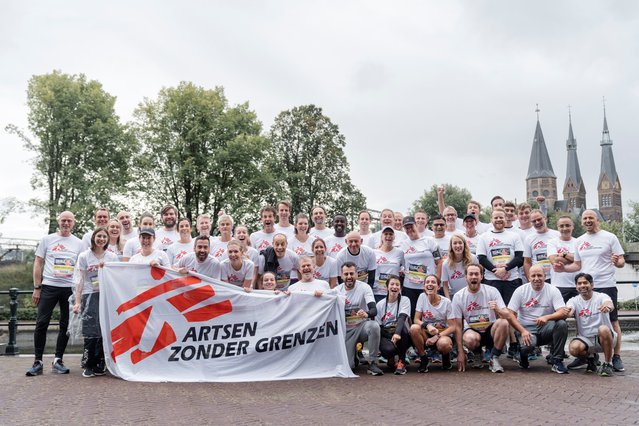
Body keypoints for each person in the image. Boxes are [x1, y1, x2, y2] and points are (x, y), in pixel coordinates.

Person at [26, 211, 84, 376]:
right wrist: (37, 287)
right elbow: (38, 262)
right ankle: (38, 361)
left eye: (69, 221)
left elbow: (81, 269)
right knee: (41, 323)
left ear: (74, 223)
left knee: (65, 325)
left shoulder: (79, 243)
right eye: (63, 220)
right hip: (49, 286)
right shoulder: (47, 239)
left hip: (69, 288)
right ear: (59, 222)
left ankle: (58, 360)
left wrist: (79, 293)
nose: (66, 223)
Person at [451, 264, 529, 374]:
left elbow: (507, 315)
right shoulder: (459, 296)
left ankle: (494, 358)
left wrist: (497, 309)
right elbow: (458, 326)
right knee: (470, 339)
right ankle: (477, 353)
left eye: (476, 274)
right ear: (465, 277)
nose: (474, 277)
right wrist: (460, 352)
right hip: (473, 331)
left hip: (491, 330)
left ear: (482, 276)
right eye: (471, 274)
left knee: (503, 323)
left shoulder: (492, 291)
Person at [575, 210, 626, 371]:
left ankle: (616, 356)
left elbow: (621, 262)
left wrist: (617, 262)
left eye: (591, 218)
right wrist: (560, 268)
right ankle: (588, 355)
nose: (588, 220)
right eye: (585, 218)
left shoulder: (610, 237)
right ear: (582, 222)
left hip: (606, 283)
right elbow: (577, 265)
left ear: (597, 220)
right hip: (585, 286)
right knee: (582, 319)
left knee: (612, 321)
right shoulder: (579, 241)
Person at [477, 208, 524, 358]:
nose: (498, 220)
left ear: (506, 219)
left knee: (510, 313)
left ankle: (514, 345)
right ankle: (492, 346)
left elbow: (519, 257)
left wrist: (505, 268)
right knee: (493, 312)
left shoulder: (514, 236)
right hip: (492, 279)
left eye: (501, 217)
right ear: (491, 219)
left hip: (511, 279)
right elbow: (481, 258)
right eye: (496, 217)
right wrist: (496, 270)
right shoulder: (484, 237)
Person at [72, 227, 119, 378]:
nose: (102, 239)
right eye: (99, 236)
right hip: (89, 294)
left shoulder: (111, 257)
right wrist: (77, 301)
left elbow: (117, 278)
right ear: (93, 238)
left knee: (104, 329)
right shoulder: (85, 256)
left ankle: (100, 362)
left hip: (106, 296)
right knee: (90, 331)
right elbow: (80, 280)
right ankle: (88, 363)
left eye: (104, 237)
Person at [507, 265, 569, 373]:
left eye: (539, 275)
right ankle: (522, 355)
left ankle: (557, 360)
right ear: (528, 277)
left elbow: (563, 312)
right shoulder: (520, 291)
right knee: (528, 347)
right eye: (533, 276)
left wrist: (547, 317)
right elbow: (510, 314)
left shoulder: (553, 290)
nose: (536, 278)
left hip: (546, 327)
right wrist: (522, 331)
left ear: (545, 276)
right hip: (527, 329)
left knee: (561, 324)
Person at [334, 262, 383, 376]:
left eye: (352, 273)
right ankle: (354, 355)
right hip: (346, 332)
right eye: (346, 274)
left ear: (356, 274)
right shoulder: (336, 290)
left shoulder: (365, 287)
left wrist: (366, 313)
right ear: (341, 276)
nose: (349, 277)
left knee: (374, 326)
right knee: (349, 367)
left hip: (361, 328)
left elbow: (374, 310)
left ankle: (372, 362)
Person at [567, 273, 617, 377]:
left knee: (603, 329)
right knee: (573, 349)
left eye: (585, 283)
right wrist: (568, 312)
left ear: (592, 285)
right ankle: (591, 358)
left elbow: (609, 304)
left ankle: (608, 364)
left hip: (605, 337)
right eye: (579, 283)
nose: (582, 285)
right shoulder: (573, 300)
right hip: (586, 339)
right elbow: (569, 309)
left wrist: (607, 307)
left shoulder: (602, 296)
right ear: (576, 287)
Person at [410, 274, 455, 372]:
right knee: (414, 328)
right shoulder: (422, 297)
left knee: (444, 345)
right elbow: (416, 319)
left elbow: (452, 327)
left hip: (442, 335)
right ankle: (423, 358)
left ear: (438, 287)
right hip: (426, 334)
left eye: (433, 282)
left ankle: (445, 356)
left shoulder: (446, 302)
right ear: (424, 286)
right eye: (427, 282)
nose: (430, 284)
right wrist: (428, 325)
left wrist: (437, 336)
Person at [400, 216, 442, 316]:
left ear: (416, 225)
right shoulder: (402, 244)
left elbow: (439, 262)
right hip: (409, 286)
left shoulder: (429, 241)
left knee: (430, 314)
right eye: (407, 228)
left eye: (411, 226)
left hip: (428, 286)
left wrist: (438, 282)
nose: (409, 230)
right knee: (412, 314)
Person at [375, 275, 411, 375]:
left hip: (401, 333)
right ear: (387, 287)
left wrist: (397, 333)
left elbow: (402, 317)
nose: (394, 287)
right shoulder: (380, 304)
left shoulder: (405, 300)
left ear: (400, 288)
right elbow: (379, 326)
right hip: (387, 333)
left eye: (397, 285)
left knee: (402, 327)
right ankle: (390, 357)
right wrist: (389, 338)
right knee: (387, 350)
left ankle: (401, 362)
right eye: (392, 284)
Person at [548, 215, 582, 302]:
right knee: (560, 314)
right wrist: (574, 258)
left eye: (567, 225)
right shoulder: (552, 242)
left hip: (577, 285)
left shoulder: (579, 242)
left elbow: (581, 261)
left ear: (573, 226)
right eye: (561, 226)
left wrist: (563, 254)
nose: (565, 228)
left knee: (579, 314)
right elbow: (555, 261)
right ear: (558, 227)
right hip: (558, 285)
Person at [523, 209, 559, 281]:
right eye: (534, 221)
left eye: (539, 219)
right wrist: (529, 279)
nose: (537, 222)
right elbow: (527, 262)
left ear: (545, 218)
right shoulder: (529, 239)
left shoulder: (557, 235)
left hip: (556, 276)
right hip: (538, 279)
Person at [372, 226, 405, 302]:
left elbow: (405, 268)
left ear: (394, 237)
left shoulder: (400, 253)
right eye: (386, 234)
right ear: (381, 237)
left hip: (394, 292)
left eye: (391, 234)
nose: (388, 236)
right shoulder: (373, 253)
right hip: (378, 292)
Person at [441, 234, 477, 299]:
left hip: (472, 294)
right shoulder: (446, 264)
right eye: (455, 243)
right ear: (451, 246)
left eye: (460, 243)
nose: (458, 245)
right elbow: (445, 284)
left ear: (464, 245)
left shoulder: (473, 259)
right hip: (454, 296)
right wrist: (448, 300)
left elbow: (478, 279)